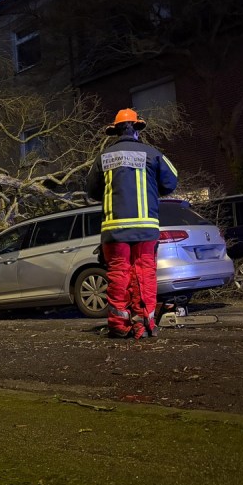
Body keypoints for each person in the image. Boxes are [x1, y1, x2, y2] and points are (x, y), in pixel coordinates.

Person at [86, 108, 178, 339]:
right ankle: (144, 323)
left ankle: (118, 323)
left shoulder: (104, 157)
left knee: (119, 274)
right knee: (144, 273)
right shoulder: (152, 153)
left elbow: (92, 190)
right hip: (146, 227)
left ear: (114, 131)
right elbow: (171, 181)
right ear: (137, 128)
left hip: (114, 229)